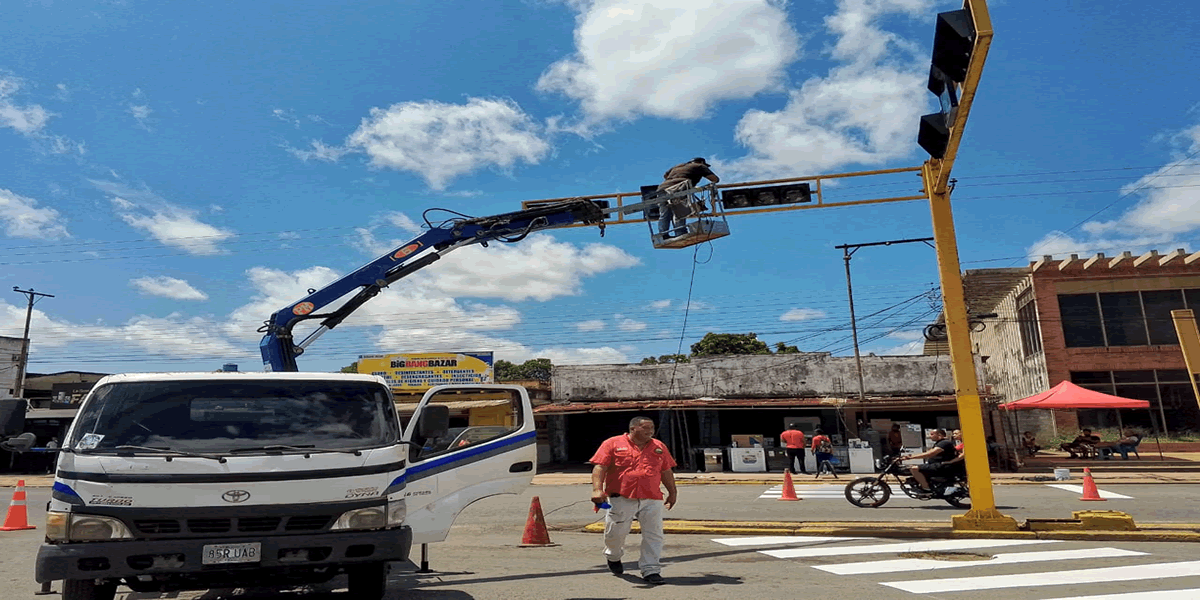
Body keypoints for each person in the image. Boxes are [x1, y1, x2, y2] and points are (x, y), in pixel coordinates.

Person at [589, 416, 678, 585]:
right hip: (622, 497)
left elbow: (666, 470)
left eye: (652, 428)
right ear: (633, 429)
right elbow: (600, 467)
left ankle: (651, 569)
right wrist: (597, 490)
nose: (650, 431)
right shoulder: (612, 443)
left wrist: (672, 492)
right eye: (646, 428)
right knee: (616, 533)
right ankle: (613, 556)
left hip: (651, 498)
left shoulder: (659, 447)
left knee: (654, 534)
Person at [655, 157, 720, 238]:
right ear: (701, 162)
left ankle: (663, 235)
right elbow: (715, 179)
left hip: (662, 189)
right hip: (678, 188)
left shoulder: (678, 166)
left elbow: (665, 175)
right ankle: (680, 233)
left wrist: (675, 178)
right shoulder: (700, 166)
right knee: (680, 211)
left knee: (664, 213)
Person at [901, 429, 957, 493]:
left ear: (939, 435)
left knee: (914, 468)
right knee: (912, 466)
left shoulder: (944, 443)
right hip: (937, 464)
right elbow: (928, 452)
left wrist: (910, 457)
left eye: (932, 434)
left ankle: (926, 488)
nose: (930, 436)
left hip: (942, 465)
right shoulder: (939, 443)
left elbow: (930, 454)